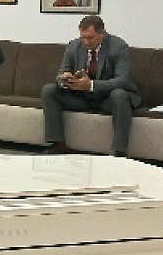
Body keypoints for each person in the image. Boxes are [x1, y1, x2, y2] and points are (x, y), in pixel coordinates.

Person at [40, 15, 141, 156]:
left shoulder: (118, 47)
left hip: (107, 99)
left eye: (90, 38)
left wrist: (91, 85)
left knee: (120, 95)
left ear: (102, 33)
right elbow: (61, 73)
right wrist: (65, 79)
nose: (86, 42)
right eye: (83, 37)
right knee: (49, 90)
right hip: (82, 97)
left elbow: (123, 80)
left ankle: (119, 152)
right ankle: (57, 146)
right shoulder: (74, 46)